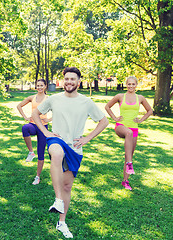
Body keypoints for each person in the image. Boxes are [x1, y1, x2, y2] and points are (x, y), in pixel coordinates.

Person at [32, 67, 108, 238]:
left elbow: (104, 121)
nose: (69, 82)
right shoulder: (54, 99)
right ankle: (58, 200)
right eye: (66, 79)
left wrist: (87, 138)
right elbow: (35, 114)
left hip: (75, 147)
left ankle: (62, 222)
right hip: (56, 140)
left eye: (73, 79)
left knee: (67, 186)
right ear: (63, 81)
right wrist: (46, 133)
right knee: (57, 155)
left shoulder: (86, 102)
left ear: (78, 82)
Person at [105, 76, 153, 190]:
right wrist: (115, 118)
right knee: (128, 133)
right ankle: (130, 164)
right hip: (121, 126)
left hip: (134, 128)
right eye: (129, 84)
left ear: (136, 85)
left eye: (133, 84)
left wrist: (141, 120)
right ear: (126, 84)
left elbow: (150, 110)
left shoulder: (140, 98)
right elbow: (107, 106)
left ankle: (125, 181)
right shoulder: (120, 96)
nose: (131, 86)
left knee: (128, 154)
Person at [17, 79, 50, 185]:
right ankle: (31, 152)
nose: (39, 87)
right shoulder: (32, 98)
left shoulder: (48, 99)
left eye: (41, 85)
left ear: (45, 86)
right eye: (38, 85)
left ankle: (37, 176)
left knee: (41, 153)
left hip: (43, 127)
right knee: (24, 128)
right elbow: (19, 105)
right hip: (32, 124)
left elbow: (60, 110)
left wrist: (49, 119)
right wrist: (25, 117)